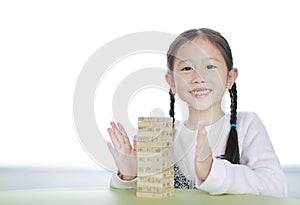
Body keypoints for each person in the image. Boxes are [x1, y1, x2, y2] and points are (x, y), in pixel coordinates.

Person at [106, 28, 287, 197]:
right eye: (186, 68)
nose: (199, 77)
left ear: (230, 77)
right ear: (172, 82)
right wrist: (130, 176)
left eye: (210, 67)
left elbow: (276, 188)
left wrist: (212, 170)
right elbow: (144, 198)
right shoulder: (163, 137)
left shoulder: (246, 125)